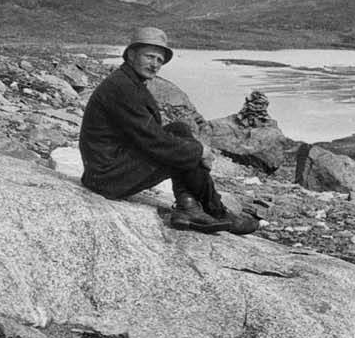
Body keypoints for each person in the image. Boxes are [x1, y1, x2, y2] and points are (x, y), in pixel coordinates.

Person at [77, 26, 259, 235]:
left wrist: (192, 148)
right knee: (184, 149)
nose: (155, 65)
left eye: (159, 60)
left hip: (110, 167)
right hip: (107, 177)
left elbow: (150, 135)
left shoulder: (128, 81)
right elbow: (152, 141)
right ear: (131, 54)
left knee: (179, 131)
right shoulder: (122, 88)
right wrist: (199, 151)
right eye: (149, 57)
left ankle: (188, 206)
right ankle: (214, 210)